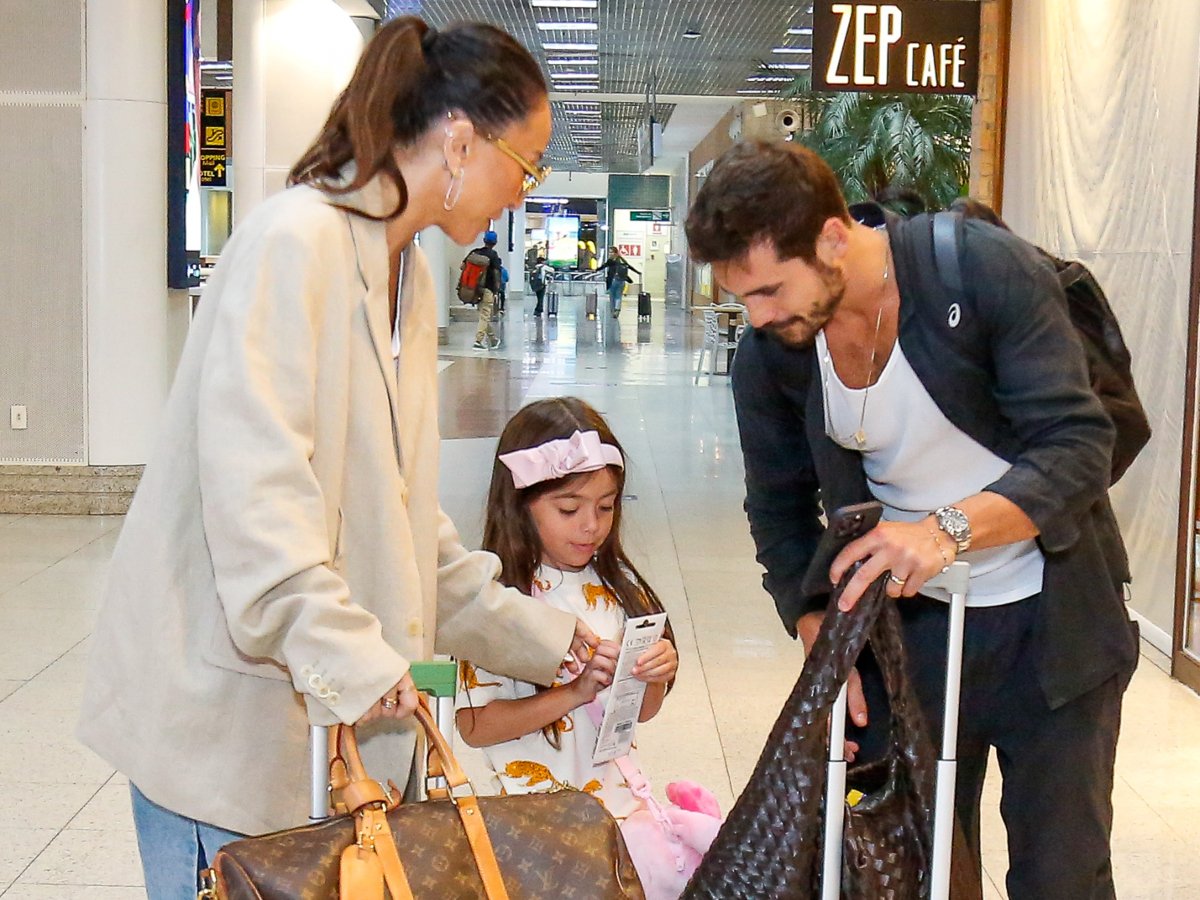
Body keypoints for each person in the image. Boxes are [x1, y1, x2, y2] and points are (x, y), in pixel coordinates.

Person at [74, 17, 601, 898]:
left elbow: (401, 518)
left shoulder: (409, 275)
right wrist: (361, 661)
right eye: (530, 164)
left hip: (321, 743)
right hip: (228, 735)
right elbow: (258, 508)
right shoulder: (296, 243)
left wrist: (551, 643)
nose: (525, 192)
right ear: (462, 142)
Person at [684, 141, 1139, 898]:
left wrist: (943, 531)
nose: (758, 317)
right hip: (909, 639)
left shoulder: (981, 271)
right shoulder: (775, 354)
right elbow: (779, 505)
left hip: (1053, 627)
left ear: (833, 238)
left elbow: (1078, 444)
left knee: (1063, 872)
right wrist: (814, 621)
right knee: (914, 867)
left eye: (768, 290)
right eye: (742, 299)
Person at [455, 396, 678, 835]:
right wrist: (574, 692)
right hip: (529, 829)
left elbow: (638, 714)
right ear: (520, 504)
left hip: (617, 818)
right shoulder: (499, 603)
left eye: (607, 506)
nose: (591, 526)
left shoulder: (619, 590)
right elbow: (475, 725)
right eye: (569, 509)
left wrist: (652, 674)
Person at [470, 229, 504, 349]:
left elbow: (462, 266)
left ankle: (493, 339)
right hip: (488, 289)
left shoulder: (475, 252)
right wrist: (497, 289)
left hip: (474, 289)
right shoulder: (493, 255)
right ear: (495, 243)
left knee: (483, 315)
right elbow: (497, 273)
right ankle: (478, 341)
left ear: (484, 240)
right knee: (485, 315)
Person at [598, 245, 640, 317]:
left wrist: (596, 270)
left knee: (612, 296)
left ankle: (613, 310)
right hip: (622, 280)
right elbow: (629, 266)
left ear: (615, 253)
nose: (610, 254)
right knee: (618, 296)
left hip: (613, 280)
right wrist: (637, 272)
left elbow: (603, 266)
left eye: (611, 252)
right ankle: (617, 309)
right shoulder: (622, 259)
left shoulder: (611, 261)